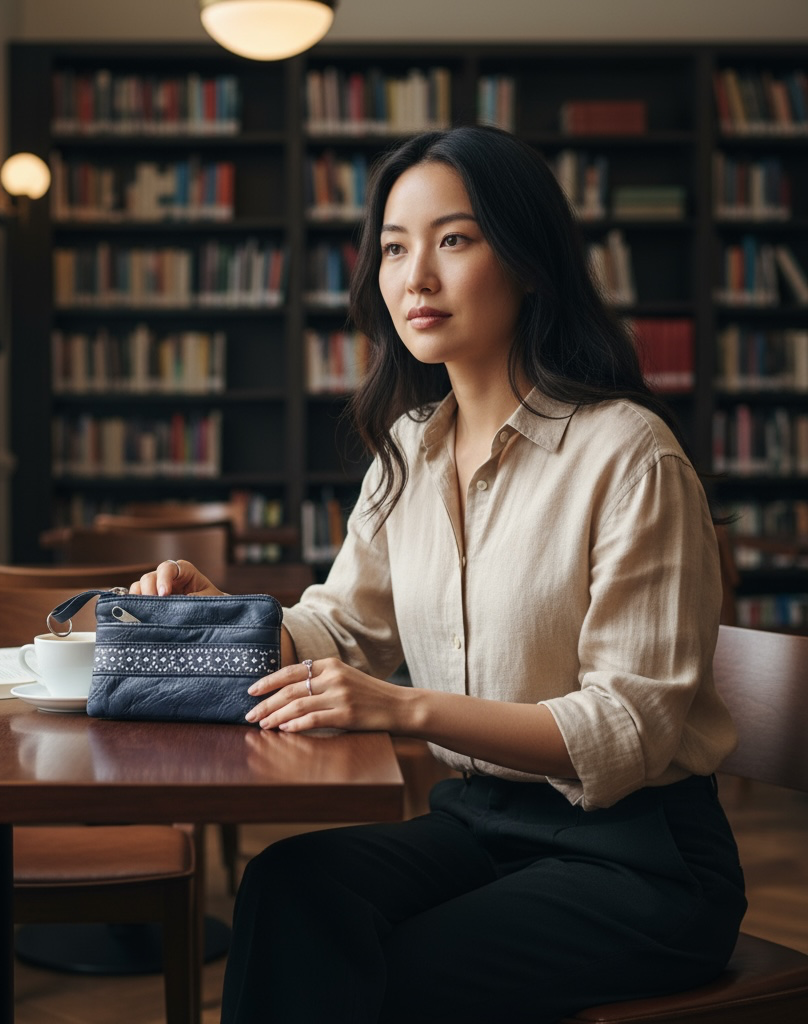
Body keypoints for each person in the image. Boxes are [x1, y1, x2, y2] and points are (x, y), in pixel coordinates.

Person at [131, 125, 747, 1023]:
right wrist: (217, 617)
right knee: (291, 888)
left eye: (453, 239)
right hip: (481, 822)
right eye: (392, 248)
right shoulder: (407, 455)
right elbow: (338, 630)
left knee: (382, 973)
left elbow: (630, 728)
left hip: (640, 857)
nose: (414, 277)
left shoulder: (628, 454)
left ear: (530, 260)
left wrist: (401, 708)